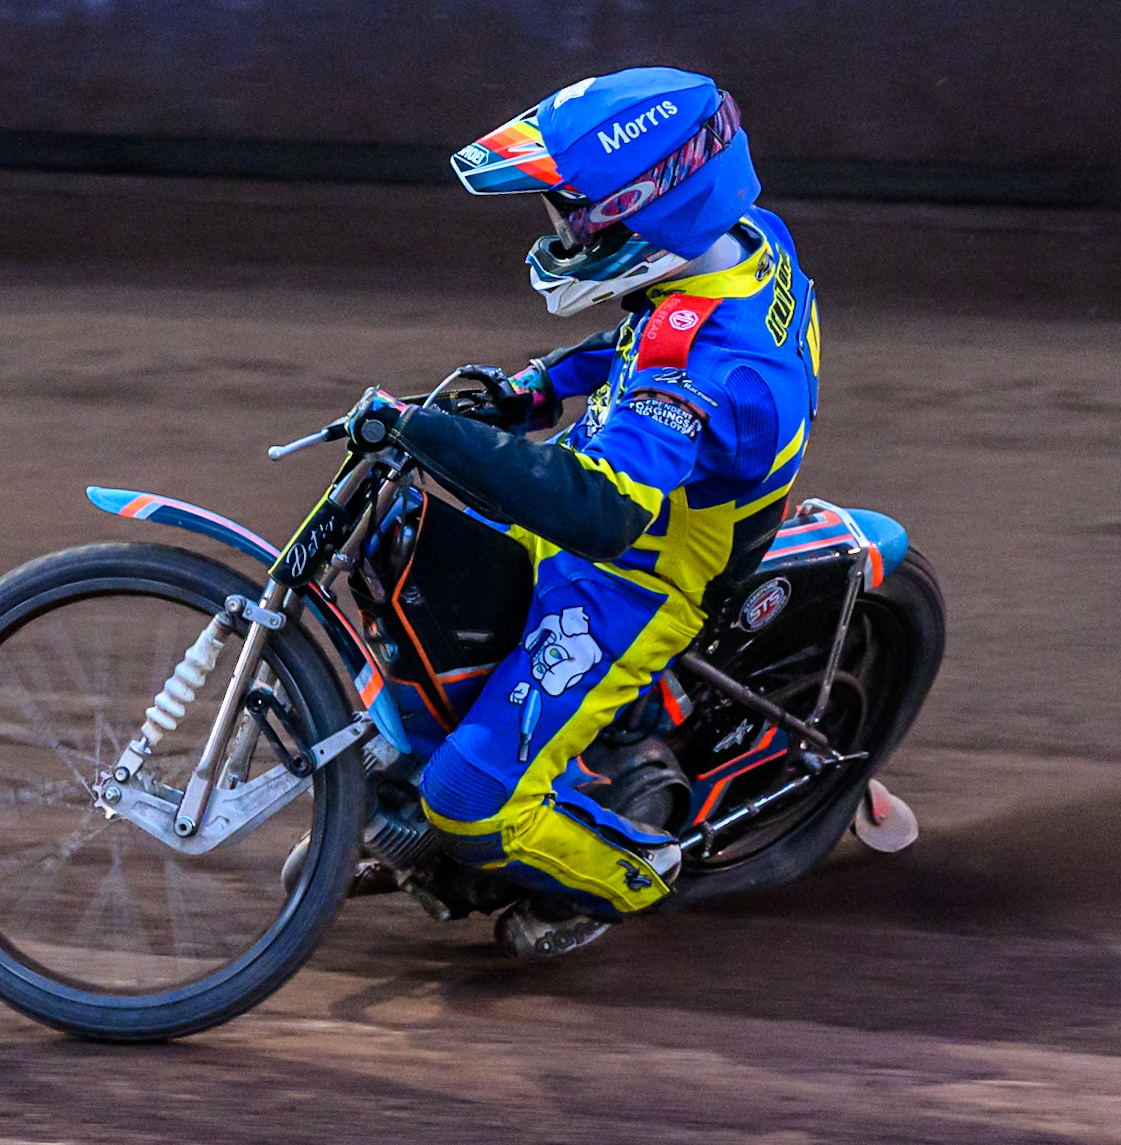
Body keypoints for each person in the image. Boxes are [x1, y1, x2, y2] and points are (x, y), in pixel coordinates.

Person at [345, 67, 820, 959]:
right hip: (627, 487)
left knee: (466, 799)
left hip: (642, 571)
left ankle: (633, 876)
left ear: (655, 207)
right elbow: (636, 334)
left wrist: (436, 435)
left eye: (577, 214)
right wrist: (531, 391)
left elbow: (601, 515)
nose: (561, 232)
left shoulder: (710, 370)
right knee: (414, 582)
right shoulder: (740, 240)